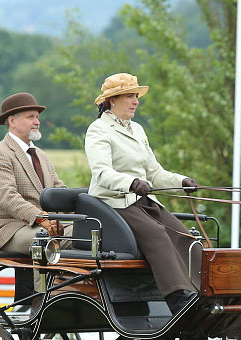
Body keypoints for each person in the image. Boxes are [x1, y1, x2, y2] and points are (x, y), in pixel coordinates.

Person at [85, 73, 200, 316]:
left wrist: (182, 181)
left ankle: (203, 293)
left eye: (136, 96)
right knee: (157, 234)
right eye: (130, 96)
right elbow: (102, 173)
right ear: (112, 101)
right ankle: (179, 298)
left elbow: (155, 173)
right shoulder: (98, 130)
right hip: (113, 202)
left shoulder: (137, 129)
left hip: (142, 199)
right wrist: (131, 182)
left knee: (184, 236)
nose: (136, 101)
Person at [0, 92, 71, 253]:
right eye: (30, 117)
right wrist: (42, 218)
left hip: (43, 227)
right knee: (70, 236)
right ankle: (49, 279)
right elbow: (7, 197)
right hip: (8, 230)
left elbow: (59, 191)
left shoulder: (42, 156)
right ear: (12, 121)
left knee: (93, 231)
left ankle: (77, 278)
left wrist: (89, 208)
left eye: (37, 117)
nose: (37, 122)